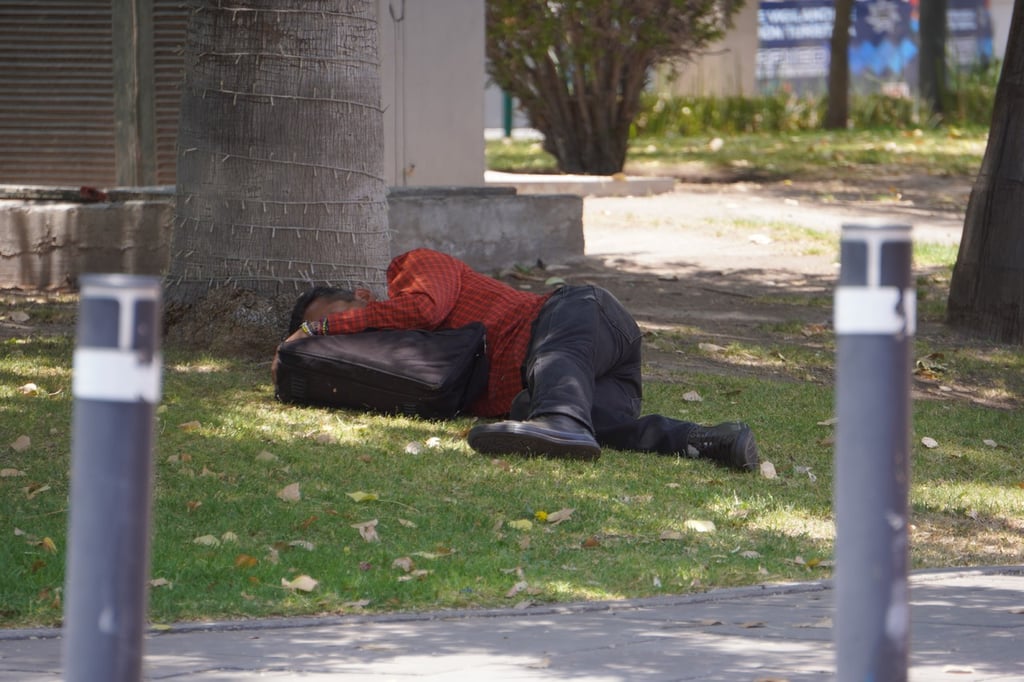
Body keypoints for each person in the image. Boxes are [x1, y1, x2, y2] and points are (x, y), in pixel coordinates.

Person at [275, 248, 760, 470]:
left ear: (362, 294)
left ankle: (560, 420)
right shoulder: (407, 361)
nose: (352, 329)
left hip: (576, 316)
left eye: (345, 315)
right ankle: (713, 440)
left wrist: (315, 331)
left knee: (554, 388)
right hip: (579, 379)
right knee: (602, 424)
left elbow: (425, 307)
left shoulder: (411, 267)